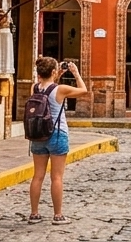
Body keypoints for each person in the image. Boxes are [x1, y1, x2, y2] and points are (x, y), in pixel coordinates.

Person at [28, 57, 88, 224]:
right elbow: (83, 90)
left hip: (38, 135)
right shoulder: (61, 89)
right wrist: (75, 73)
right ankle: (58, 215)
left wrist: (57, 74)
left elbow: (47, 89)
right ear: (53, 72)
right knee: (57, 177)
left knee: (37, 176)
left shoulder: (34, 88)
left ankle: (34, 214)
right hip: (57, 134)